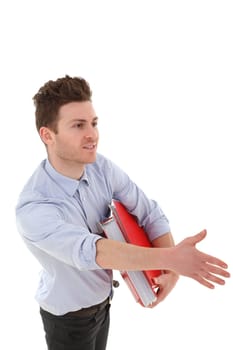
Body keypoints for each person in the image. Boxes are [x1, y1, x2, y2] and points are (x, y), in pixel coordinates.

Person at [15, 75, 230, 350]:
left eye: (93, 123)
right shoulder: (34, 207)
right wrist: (173, 258)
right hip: (66, 321)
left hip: (103, 306)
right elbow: (94, 252)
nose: (92, 134)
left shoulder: (101, 168)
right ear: (48, 135)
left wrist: (169, 270)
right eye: (78, 125)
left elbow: (149, 212)